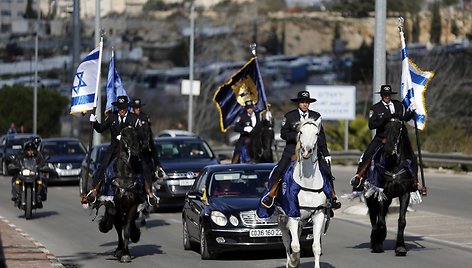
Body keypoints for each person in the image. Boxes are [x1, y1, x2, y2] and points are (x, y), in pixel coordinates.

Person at [261, 90, 341, 209]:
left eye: (307, 102)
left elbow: (321, 136)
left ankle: (333, 196)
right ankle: (270, 194)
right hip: (293, 150)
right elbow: (284, 134)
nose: (305, 104)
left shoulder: (316, 116)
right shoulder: (289, 116)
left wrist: (326, 153)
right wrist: (297, 137)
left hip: (312, 151)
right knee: (280, 169)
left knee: (326, 170)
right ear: (298, 103)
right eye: (302, 102)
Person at [86, 96, 157, 206]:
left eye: (124, 107)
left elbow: (141, 134)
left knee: (144, 166)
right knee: (103, 165)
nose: (122, 110)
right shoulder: (112, 117)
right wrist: (94, 122)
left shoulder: (133, 118)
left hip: (131, 149)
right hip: (114, 148)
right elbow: (100, 129)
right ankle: (94, 190)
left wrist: (130, 136)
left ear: (127, 108)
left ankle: (149, 193)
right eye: (120, 108)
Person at [351, 84, 417, 190]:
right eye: (385, 94)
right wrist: (385, 119)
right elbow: (371, 125)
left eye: (388, 94)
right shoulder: (375, 108)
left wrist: (411, 112)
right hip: (382, 138)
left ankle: (415, 182)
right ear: (382, 95)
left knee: (412, 157)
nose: (387, 96)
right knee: (367, 154)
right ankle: (359, 178)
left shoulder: (398, 105)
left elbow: (403, 118)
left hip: (398, 138)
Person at [129, 98, 162, 204]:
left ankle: (149, 193)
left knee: (146, 169)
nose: (137, 109)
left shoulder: (145, 117)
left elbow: (149, 134)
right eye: (135, 108)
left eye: (138, 107)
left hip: (144, 149)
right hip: (132, 150)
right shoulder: (129, 118)